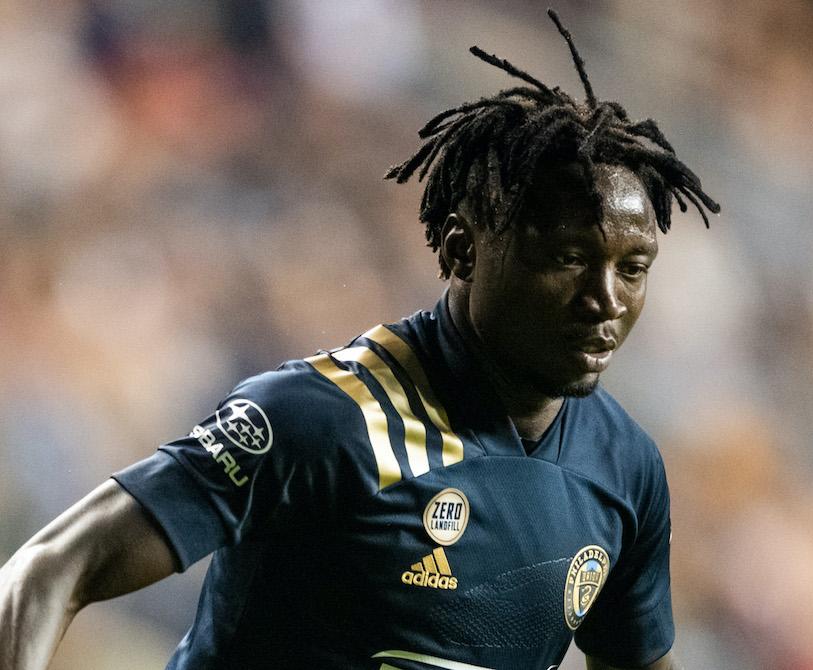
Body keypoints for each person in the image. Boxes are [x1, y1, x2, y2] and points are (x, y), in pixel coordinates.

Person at [0, 10, 718, 670]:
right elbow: (48, 570)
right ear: (465, 251)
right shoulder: (318, 420)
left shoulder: (624, 467)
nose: (605, 300)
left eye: (632, 269)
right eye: (566, 259)